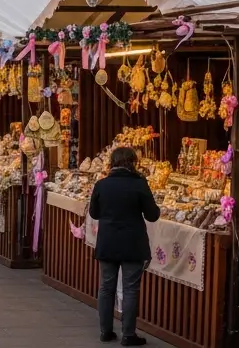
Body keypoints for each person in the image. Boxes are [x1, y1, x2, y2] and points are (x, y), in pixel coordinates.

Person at [89, 146, 159, 347]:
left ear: (112, 162)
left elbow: (94, 213)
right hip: (132, 243)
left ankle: (105, 331)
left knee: (106, 287)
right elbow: (152, 215)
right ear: (132, 163)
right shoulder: (139, 184)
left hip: (108, 242)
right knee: (130, 289)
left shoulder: (102, 185)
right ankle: (128, 334)